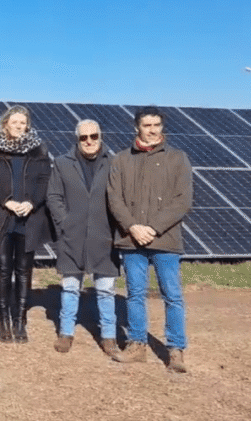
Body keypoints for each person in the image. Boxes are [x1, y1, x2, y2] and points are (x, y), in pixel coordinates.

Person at [107, 106, 193, 373]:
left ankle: (176, 349)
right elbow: (114, 198)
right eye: (147, 125)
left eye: (157, 125)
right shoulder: (121, 160)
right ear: (137, 128)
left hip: (165, 239)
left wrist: (153, 228)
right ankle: (137, 345)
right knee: (135, 294)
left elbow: (183, 200)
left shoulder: (177, 158)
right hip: (132, 240)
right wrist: (132, 226)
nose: (153, 130)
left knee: (172, 295)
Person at [46, 120, 120, 356]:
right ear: (76, 139)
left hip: (104, 235)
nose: (89, 141)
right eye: (83, 137)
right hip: (73, 235)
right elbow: (54, 196)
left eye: (94, 136)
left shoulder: (115, 162)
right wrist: (65, 222)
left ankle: (109, 336)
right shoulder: (62, 164)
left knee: (106, 289)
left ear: (100, 136)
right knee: (70, 287)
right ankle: (66, 333)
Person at [0, 105, 51, 344]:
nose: (19, 127)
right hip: (3, 218)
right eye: (15, 123)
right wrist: (7, 201)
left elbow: (45, 181)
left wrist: (32, 202)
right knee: (3, 271)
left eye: (23, 123)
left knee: (23, 272)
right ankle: (3, 319)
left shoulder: (39, 152)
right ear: (5, 124)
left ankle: (20, 319)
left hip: (28, 219)